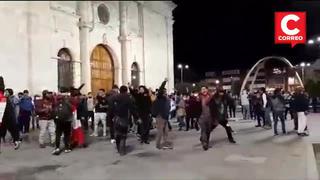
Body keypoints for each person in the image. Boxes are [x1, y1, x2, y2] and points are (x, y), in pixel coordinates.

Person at [109, 85, 138, 156]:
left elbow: (110, 108)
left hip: (116, 118)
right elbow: (133, 108)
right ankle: (122, 151)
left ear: (120, 90)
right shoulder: (128, 98)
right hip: (124, 118)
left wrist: (110, 117)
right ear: (126, 90)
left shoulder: (114, 97)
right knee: (123, 135)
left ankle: (119, 148)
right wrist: (136, 117)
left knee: (117, 134)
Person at [152, 78, 172, 150]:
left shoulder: (166, 99)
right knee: (160, 131)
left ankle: (165, 143)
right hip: (160, 116)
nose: (165, 93)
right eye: (164, 91)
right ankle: (158, 145)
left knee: (166, 131)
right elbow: (160, 89)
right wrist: (164, 82)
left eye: (165, 91)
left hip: (165, 116)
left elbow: (168, 107)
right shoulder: (159, 98)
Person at [0, 87, 21, 151]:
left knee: (12, 129)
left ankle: (16, 140)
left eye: (7, 92)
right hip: (7, 116)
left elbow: (14, 109)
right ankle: (16, 140)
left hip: (7, 117)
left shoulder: (8, 99)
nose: (6, 93)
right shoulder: (5, 98)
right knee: (9, 129)